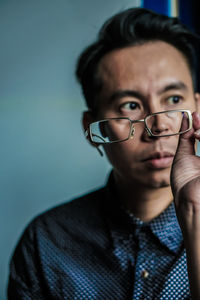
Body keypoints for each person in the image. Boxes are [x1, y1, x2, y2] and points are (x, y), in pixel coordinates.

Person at [7, 8, 200, 300]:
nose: (159, 126)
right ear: (92, 128)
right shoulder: (47, 242)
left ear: (196, 108)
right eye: (130, 106)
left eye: (173, 99)